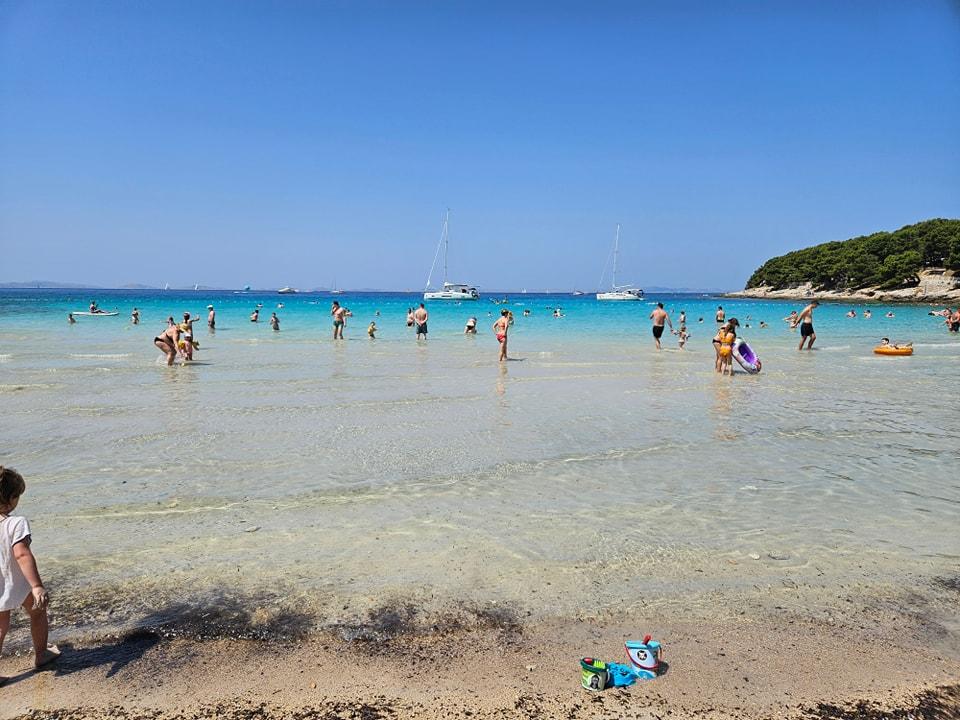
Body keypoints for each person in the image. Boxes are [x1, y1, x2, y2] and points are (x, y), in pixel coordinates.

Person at [0, 466, 61, 682]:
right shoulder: (16, 523)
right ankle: (41, 655)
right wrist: (36, 586)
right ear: (11, 498)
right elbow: (22, 554)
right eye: (18, 496)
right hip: (16, 582)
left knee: (1, 626)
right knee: (37, 611)